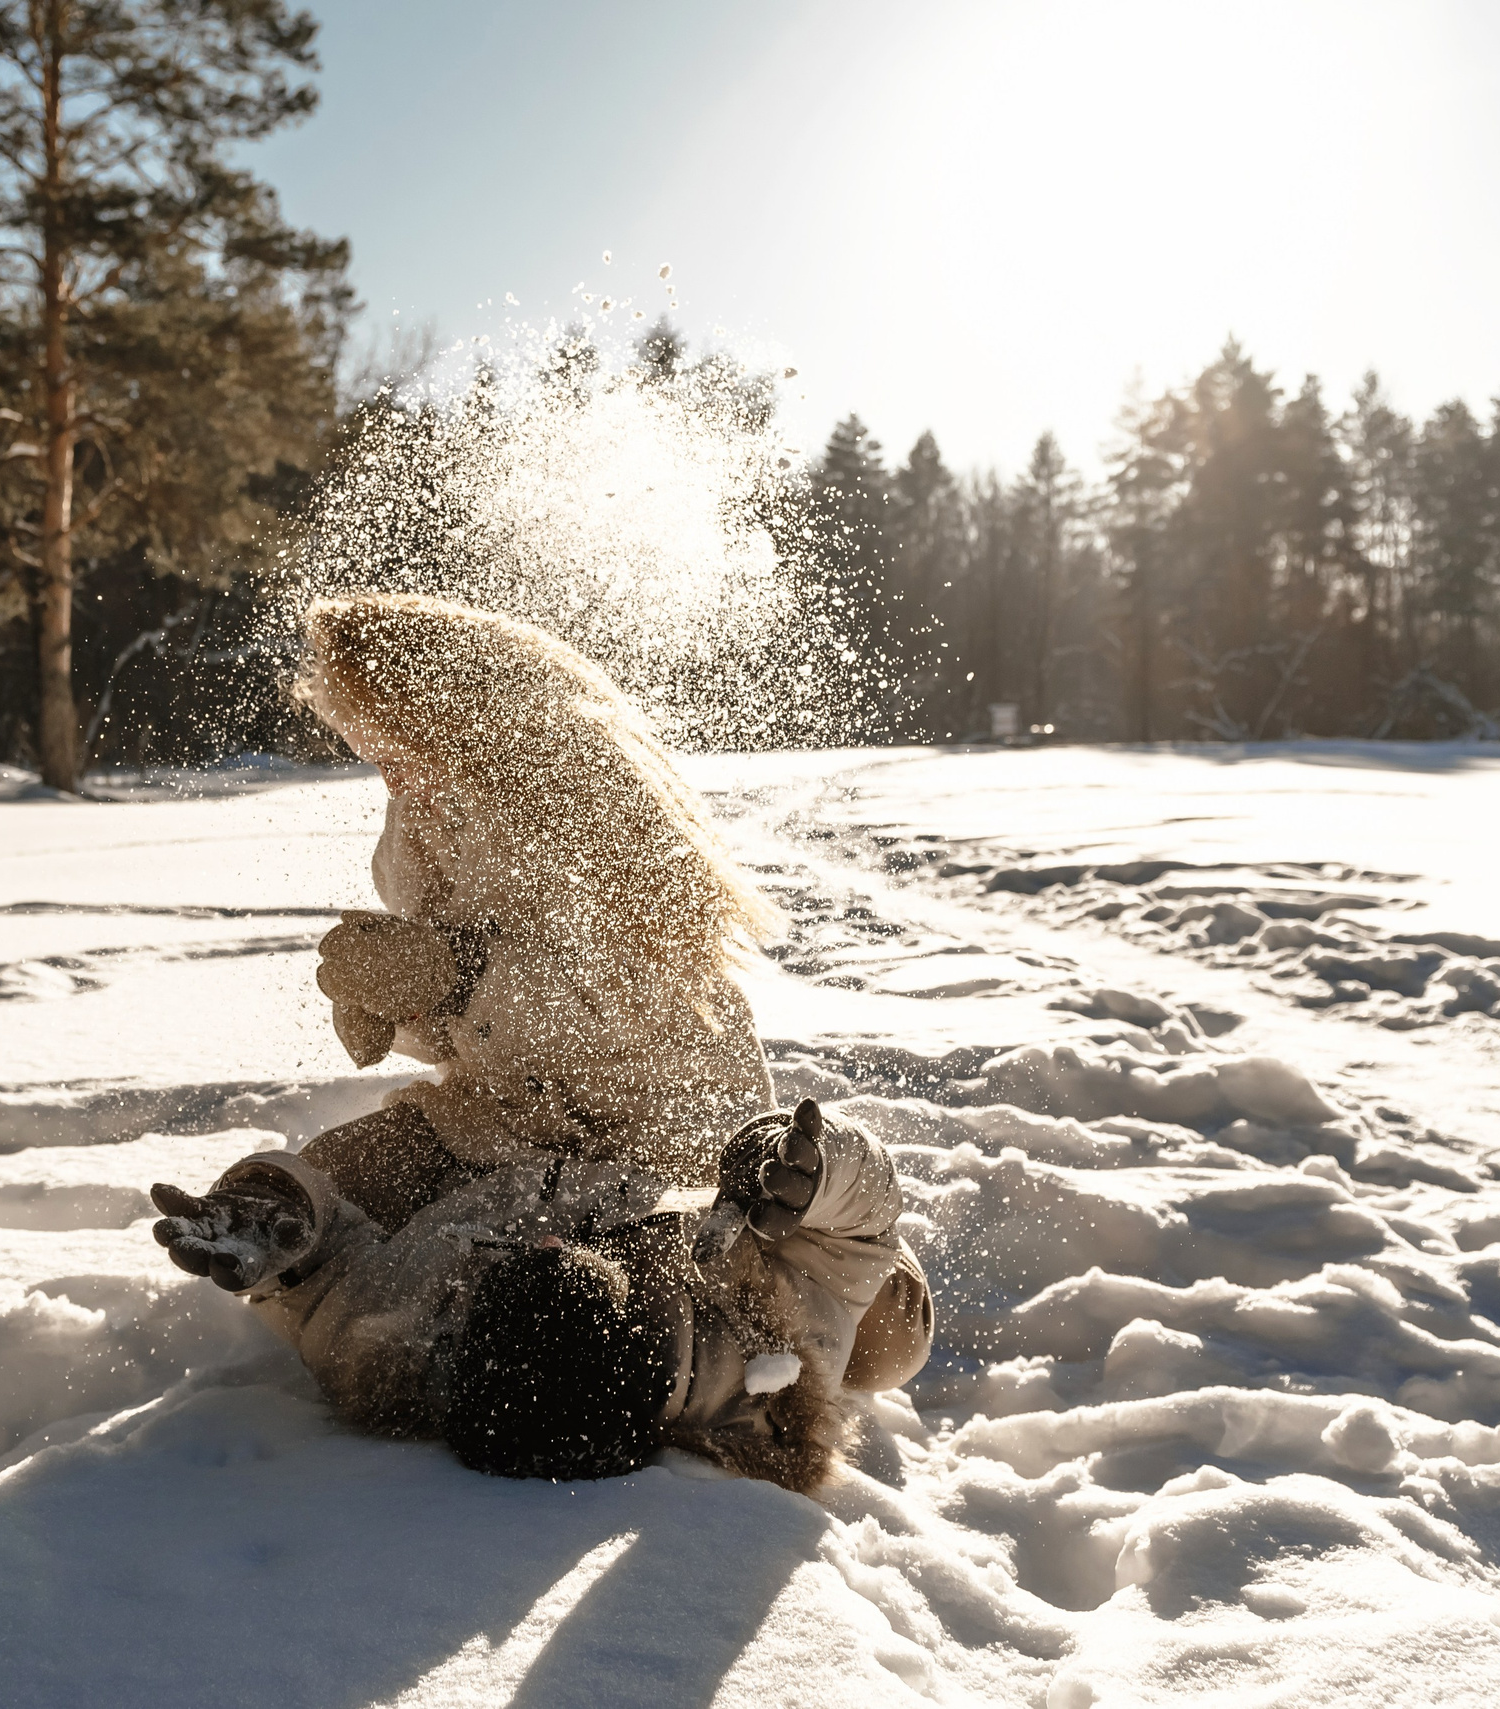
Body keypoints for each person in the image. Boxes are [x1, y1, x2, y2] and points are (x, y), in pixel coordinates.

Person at [289, 593, 782, 1229]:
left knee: (573, 1287)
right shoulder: (418, 824)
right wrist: (392, 999)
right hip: (507, 1117)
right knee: (334, 1179)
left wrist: (455, 975)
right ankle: (262, 1238)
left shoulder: (578, 793)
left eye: (394, 756)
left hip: (659, 1127)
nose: (391, 785)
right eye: (372, 764)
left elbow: (635, 999)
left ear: (436, 717)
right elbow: (458, 1027)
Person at [150, 1100, 934, 1489]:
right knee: (899, 1336)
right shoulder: (779, 1330)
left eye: (512, 1272)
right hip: (660, 1141)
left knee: (372, 1170)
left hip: (474, 1152)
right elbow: (868, 1224)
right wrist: (803, 1168)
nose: (544, 1241)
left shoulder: (423, 1326)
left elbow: (328, 1285)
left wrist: (282, 1220)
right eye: (557, 1261)